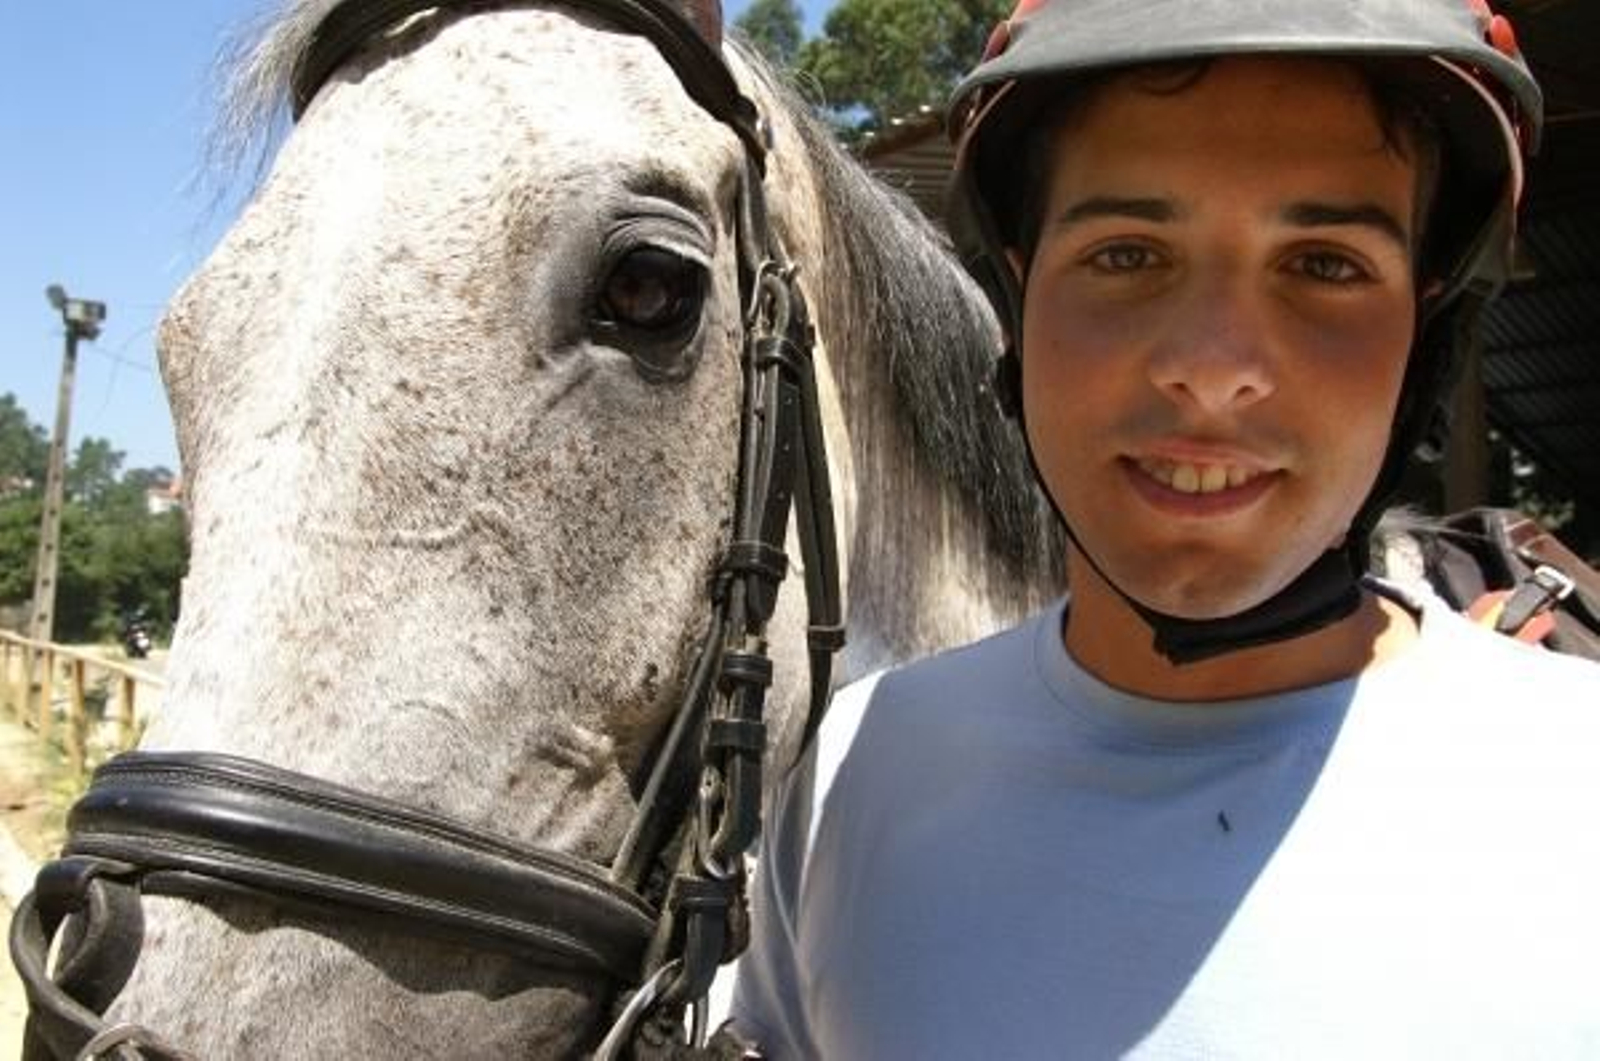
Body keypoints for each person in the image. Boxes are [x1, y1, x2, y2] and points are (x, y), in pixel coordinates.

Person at [727, 0, 1600, 1056]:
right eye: (1127, 254)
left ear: (1427, 328)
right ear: (1017, 294)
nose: (1213, 367)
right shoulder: (845, 782)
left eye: (1325, 264)